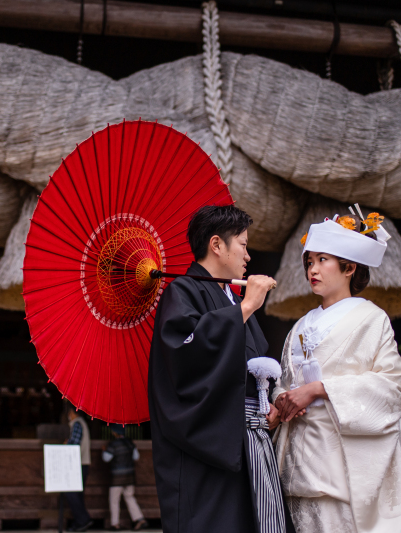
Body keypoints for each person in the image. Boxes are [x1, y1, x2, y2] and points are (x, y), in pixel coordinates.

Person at [273, 209, 401, 532]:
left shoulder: (371, 319)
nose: (313, 269)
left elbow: (394, 388)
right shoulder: (300, 325)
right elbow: (285, 382)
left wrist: (320, 389)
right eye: (309, 261)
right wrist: (283, 400)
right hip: (300, 463)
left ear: (349, 267)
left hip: (342, 468)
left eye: (323, 260)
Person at [148, 204, 286, 533]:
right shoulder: (182, 292)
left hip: (249, 439)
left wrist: (270, 404)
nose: (248, 256)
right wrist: (249, 305)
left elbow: (254, 366)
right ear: (217, 245)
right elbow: (187, 354)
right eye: (243, 244)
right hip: (209, 443)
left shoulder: (230, 299)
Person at [102, 424, 148, 531]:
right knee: (129, 497)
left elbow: (106, 458)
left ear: (114, 432)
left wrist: (104, 450)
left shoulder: (113, 445)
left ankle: (115, 523)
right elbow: (136, 457)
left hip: (116, 477)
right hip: (129, 476)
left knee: (114, 500)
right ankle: (139, 519)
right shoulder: (129, 443)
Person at [64, 404, 93, 532]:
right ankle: (82, 521)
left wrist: (66, 443)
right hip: (83, 463)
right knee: (77, 494)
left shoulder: (77, 424)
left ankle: (83, 519)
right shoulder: (81, 423)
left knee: (71, 492)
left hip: (78, 464)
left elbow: (74, 444)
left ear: (72, 412)